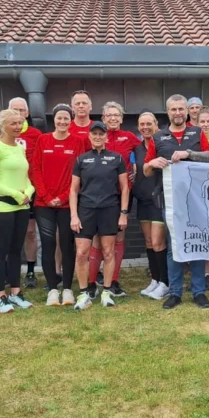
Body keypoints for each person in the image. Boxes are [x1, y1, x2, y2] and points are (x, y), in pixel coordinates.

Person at [144, 94, 209, 310]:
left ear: (187, 111)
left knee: (196, 243)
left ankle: (198, 291)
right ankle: (175, 292)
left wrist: (188, 153)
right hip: (170, 201)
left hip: (197, 200)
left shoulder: (197, 132)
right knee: (173, 247)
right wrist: (153, 163)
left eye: (181, 109)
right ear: (168, 112)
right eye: (173, 109)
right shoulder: (158, 137)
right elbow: (146, 171)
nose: (177, 113)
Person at [70, 121, 130, 309]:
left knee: (108, 252)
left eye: (101, 134)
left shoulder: (117, 158)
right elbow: (73, 190)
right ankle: (83, 293)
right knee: (81, 253)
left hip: (109, 209)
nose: (97, 137)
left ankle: (107, 290)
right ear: (89, 136)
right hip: (86, 210)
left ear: (106, 136)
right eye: (94, 134)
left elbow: (125, 187)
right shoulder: (81, 160)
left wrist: (123, 213)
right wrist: (74, 215)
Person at [31, 105, 87, 307]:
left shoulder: (78, 142)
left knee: (66, 245)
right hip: (43, 204)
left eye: (66, 118)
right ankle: (53, 289)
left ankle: (68, 289)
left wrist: (63, 197)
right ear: (53, 120)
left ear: (71, 120)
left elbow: (80, 173)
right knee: (47, 244)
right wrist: (45, 196)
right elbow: (35, 168)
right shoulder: (43, 140)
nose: (62, 122)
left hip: (67, 204)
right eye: (59, 118)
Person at [0, 109, 36, 313]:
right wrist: (15, 194)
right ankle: (0, 296)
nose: (17, 127)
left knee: (16, 251)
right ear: (3, 125)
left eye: (20, 123)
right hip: (2, 207)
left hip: (22, 207)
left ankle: (16, 292)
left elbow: (26, 177)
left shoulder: (19, 148)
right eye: (13, 123)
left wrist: (29, 192)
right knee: (1, 251)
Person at [98, 101, 140, 297]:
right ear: (103, 118)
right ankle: (95, 278)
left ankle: (113, 279)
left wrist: (137, 168)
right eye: (109, 115)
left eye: (116, 115)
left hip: (123, 194)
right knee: (99, 240)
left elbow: (145, 153)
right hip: (99, 195)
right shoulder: (97, 137)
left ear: (122, 118)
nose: (113, 118)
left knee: (119, 236)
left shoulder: (130, 137)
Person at [132, 112, 169, 300]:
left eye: (149, 123)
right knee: (148, 243)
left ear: (156, 125)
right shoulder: (137, 149)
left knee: (157, 242)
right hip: (143, 200)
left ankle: (165, 282)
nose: (145, 127)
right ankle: (155, 280)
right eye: (142, 124)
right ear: (138, 127)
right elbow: (134, 169)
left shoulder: (163, 145)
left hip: (159, 199)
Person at [8, 97, 43, 291]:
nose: (19, 114)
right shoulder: (1, 134)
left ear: (27, 113)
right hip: (8, 190)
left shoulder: (36, 134)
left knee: (30, 232)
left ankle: (30, 271)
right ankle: (9, 272)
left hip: (30, 189)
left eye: (22, 110)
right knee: (10, 233)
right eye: (15, 110)